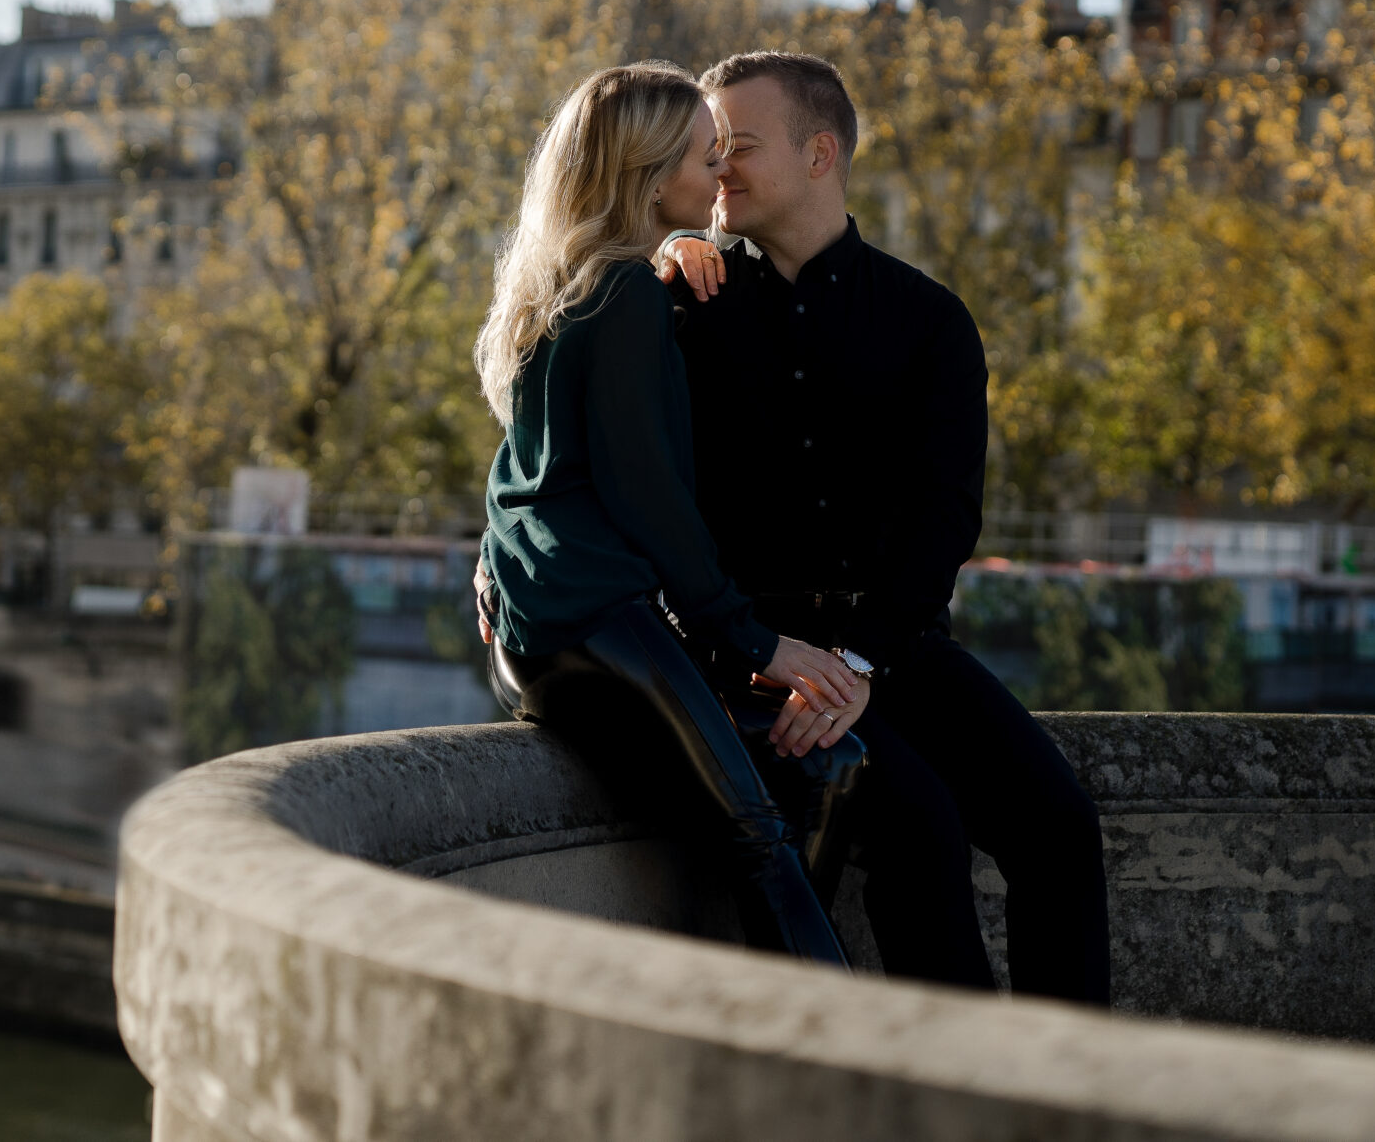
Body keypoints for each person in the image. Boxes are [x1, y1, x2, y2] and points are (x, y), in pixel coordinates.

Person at [655, 51, 1112, 1003]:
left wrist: (859, 663)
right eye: (706, 149)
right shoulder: (680, 305)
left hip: (889, 644)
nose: (714, 168)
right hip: (748, 652)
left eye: (734, 146)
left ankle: (1069, 1091)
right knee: (919, 829)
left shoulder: (930, 320)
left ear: (821, 153)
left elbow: (944, 517)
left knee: (1058, 821)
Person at [474, 62, 864, 966]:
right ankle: (831, 1060)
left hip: (549, 635)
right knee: (763, 834)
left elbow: (530, 472)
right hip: (598, 626)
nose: (720, 170)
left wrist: (491, 562)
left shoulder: (569, 287)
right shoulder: (621, 297)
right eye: (705, 153)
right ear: (651, 178)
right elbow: (645, 494)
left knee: (831, 764)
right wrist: (757, 641)